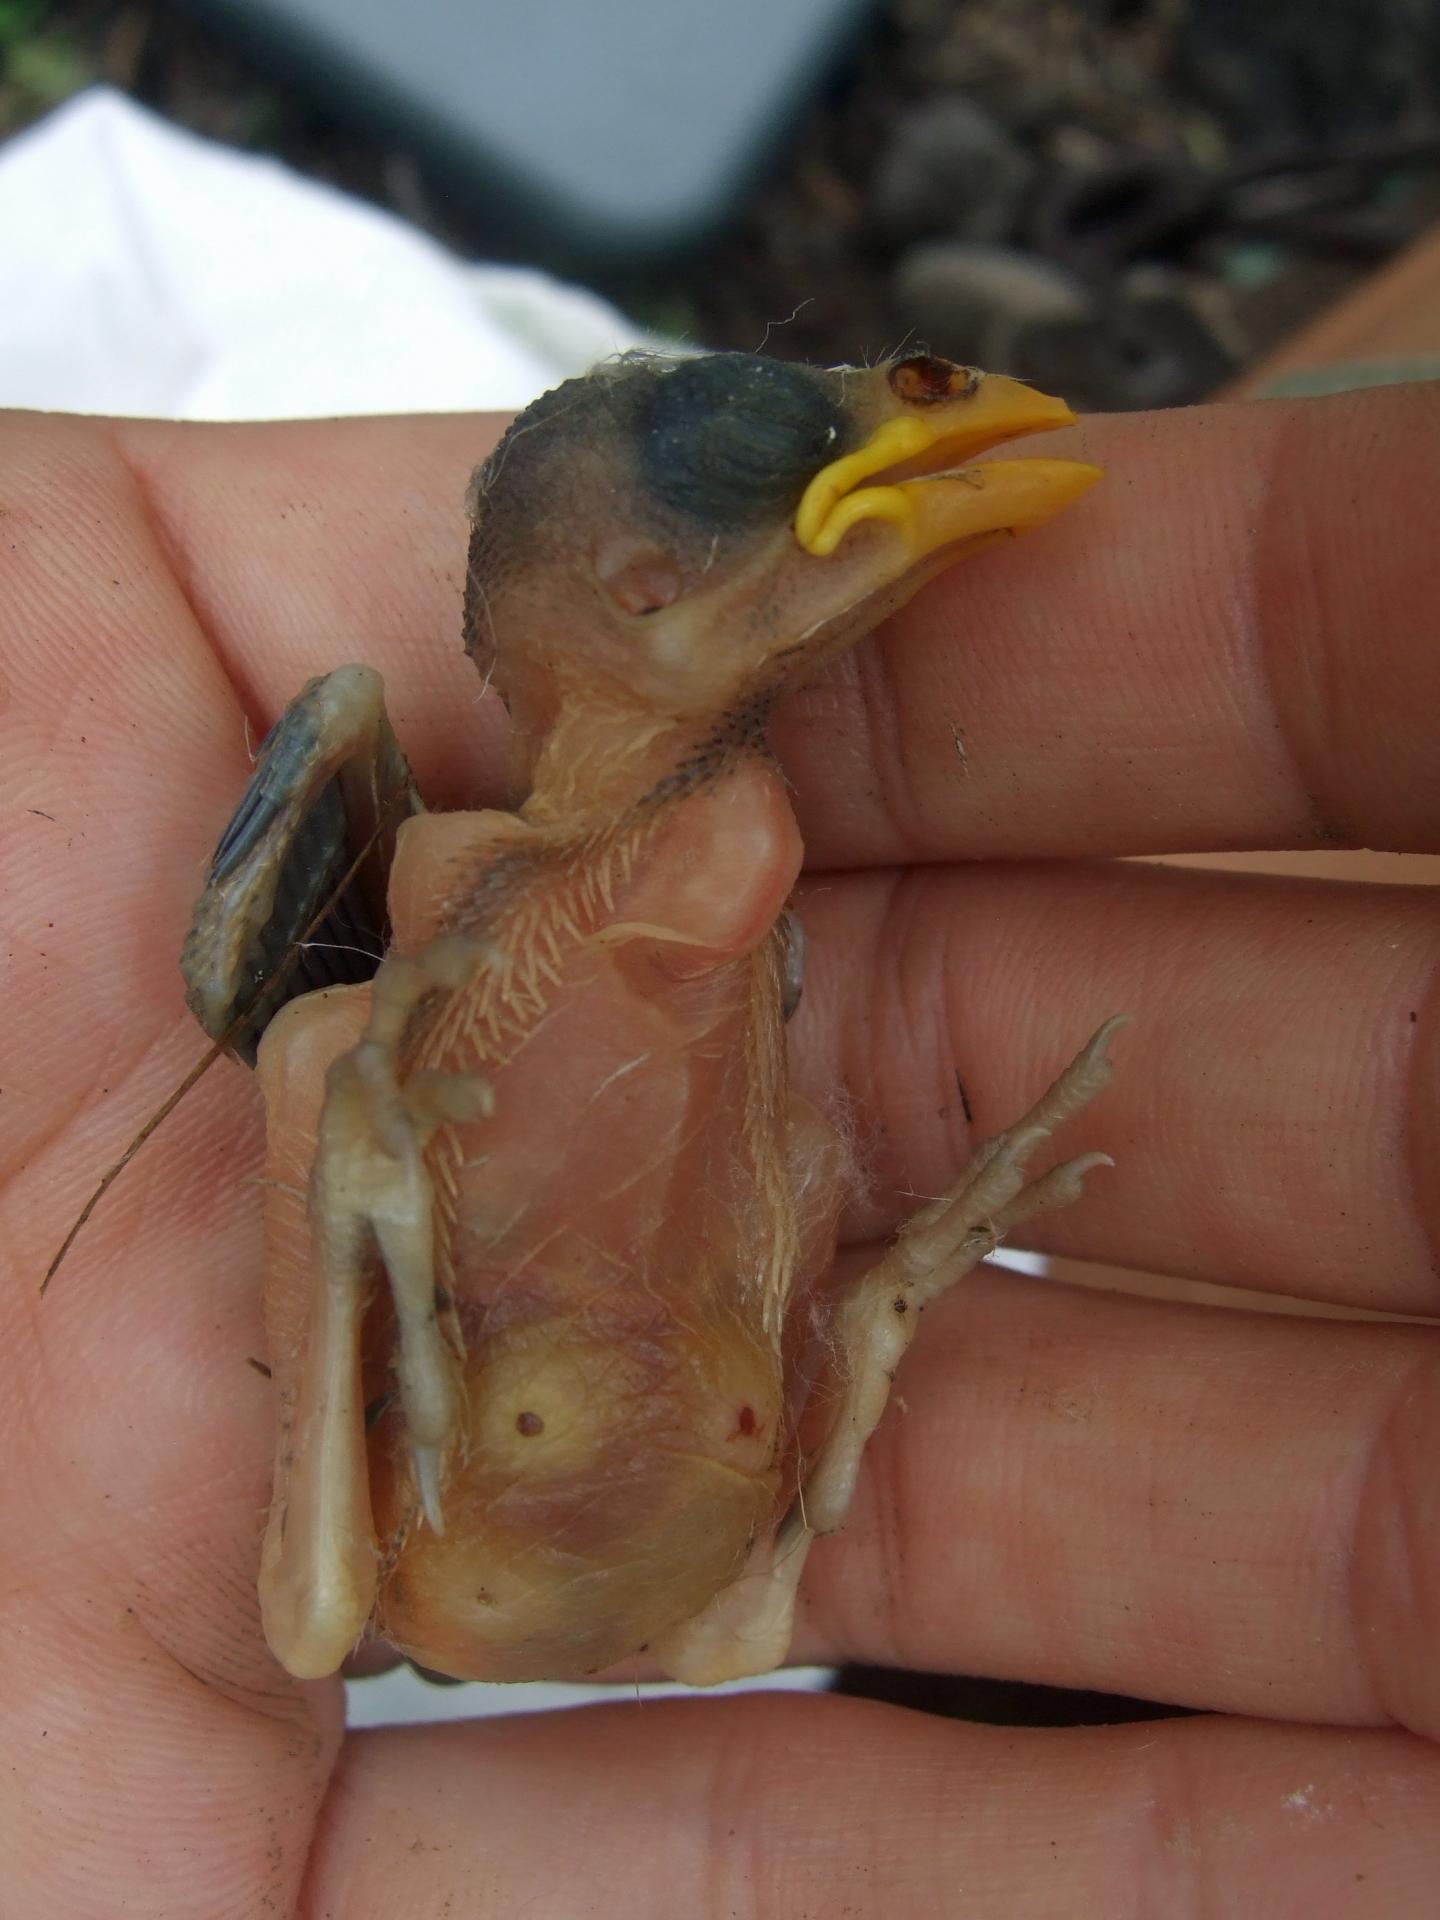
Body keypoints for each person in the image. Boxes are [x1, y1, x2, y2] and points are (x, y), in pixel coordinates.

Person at [3, 386, 1437, 1916]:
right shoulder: (471, 879)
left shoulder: (705, 866)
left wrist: (862, 1311)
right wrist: (361, 1149)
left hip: (697, 1531)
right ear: (636, 602)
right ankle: (328, 1553)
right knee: (312, 1059)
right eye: (783, 535)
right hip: (501, 1517)